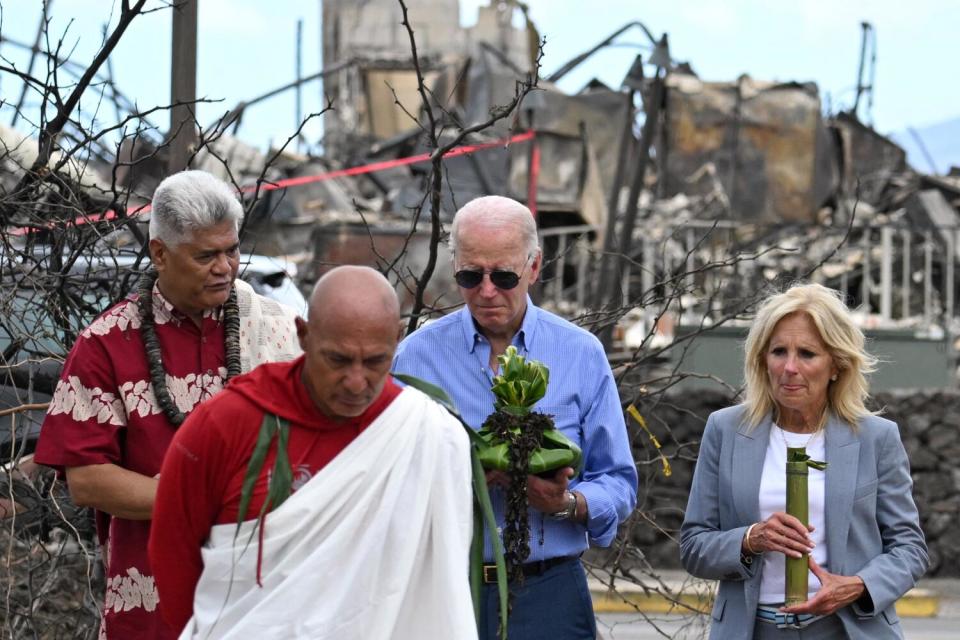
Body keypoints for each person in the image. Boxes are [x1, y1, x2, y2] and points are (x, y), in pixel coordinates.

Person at [33, 170, 301, 640]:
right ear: (160, 253)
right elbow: (87, 480)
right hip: (150, 608)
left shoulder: (279, 329)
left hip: (265, 601)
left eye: (232, 250)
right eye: (205, 255)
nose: (225, 267)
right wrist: (199, 500)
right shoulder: (105, 344)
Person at [148, 266, 477, 640]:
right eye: (337, 360)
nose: (356, 383)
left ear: (397, 340)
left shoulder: (427, 433)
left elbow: (440, 584)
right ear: (303, 335)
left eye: (375, 362)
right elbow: (174, 558)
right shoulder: (226, 423)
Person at [392, 195, 638, 640]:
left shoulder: (581, 354)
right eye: (470, 275)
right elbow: (390, 479)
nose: (486, 291)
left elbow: (618, 480)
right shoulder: (415, 358)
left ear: (534, 267)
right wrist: (457, 477)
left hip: (548, 590)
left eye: (503, 276)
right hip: (447, 587)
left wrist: (566, 504)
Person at [680, 283, 928, 640]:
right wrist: (751, 538)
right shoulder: (726, 429)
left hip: (846, 629)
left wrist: (858, 585)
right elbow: (693, 546)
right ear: (762, 359)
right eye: (779, 351)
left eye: (807, 354)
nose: (790, 367)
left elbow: (910, 550)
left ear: (836, 366)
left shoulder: (876, 437)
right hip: (752, 631)